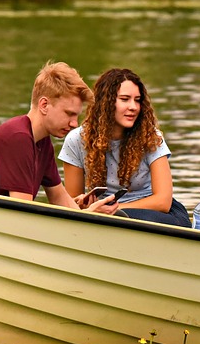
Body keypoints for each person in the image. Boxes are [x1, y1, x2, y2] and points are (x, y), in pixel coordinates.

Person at [59, 67, 189, 227]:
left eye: (137, 100)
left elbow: (163, 202)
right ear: (106, 102)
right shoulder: (76, 140)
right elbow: (72, 205)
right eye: (125, 99)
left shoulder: (151, 137)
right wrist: (84, 205)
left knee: (119, 219)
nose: (133, 106)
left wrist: (113, 210)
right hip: (104, 216)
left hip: (160, 215)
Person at [0, 61, 91, 208]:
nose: (75, 124)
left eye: (76, 116)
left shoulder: (43, 142)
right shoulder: (18, 138)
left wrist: (90, 214)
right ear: (44, 105)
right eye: (69, 114)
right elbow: (23, 210)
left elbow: (59, 198)